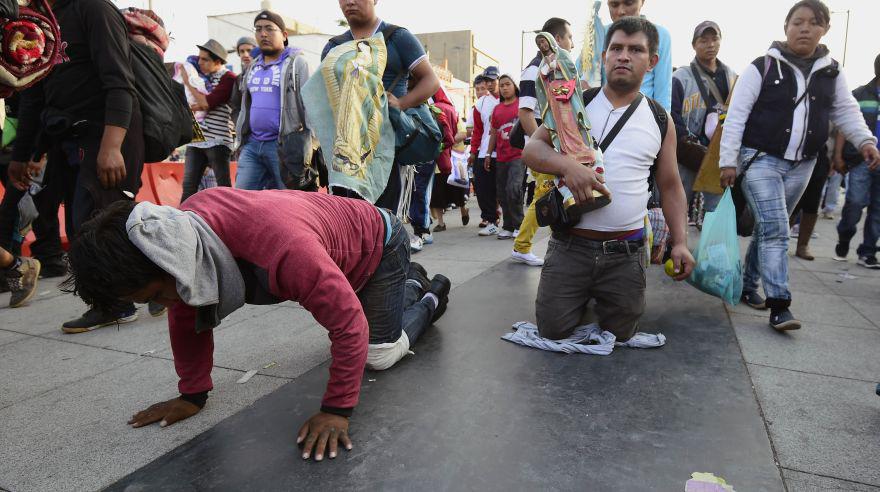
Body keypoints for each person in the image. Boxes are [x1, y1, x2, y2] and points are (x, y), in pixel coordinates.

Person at [63, 187, 452, 462]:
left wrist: (337, 410)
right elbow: (188, 318)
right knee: (354, 309)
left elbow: (349, 325)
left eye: (155, 295)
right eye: (151, 301)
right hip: (333, 250)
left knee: (378, 353)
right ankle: (407, 283)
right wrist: (192, 395)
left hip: (378, 244)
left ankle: (426, 290)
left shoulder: (281, 248)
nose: (164, 306)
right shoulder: (178, 243)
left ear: (170, 264)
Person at [523, 17, 694, 343]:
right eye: (616, 48)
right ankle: (578, 297)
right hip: (570, 247)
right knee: (553, 330)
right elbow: (531, 150)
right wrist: (567, 167)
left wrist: (681, 242)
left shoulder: (660, 119)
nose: (623, 56)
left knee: (620, 333)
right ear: (604, 57)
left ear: (652, 61)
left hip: (626, 255)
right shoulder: (576, 102)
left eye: (635, 50)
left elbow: (671, 185)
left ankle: (596, 299)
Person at [719, 0, 879, 330]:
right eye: (797, 22)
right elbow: (736, 116)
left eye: (813, 22)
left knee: (768, 227)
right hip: (760, 161)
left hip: (803, 165)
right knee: (777, 228)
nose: (804, 28)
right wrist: (727, 161)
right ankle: (780, 304)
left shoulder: (831, 71)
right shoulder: (761, 66)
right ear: (786, 27)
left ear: (825, 29)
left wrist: (865, 141)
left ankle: (749, 286)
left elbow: (846, 111)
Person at [9, 0, 145, 333]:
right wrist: (22, 154)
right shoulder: (38, 22)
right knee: (89, 222)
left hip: (108, 132)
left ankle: (115, 304)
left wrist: (112, 146)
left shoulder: (93, 8)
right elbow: (33, 97)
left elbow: (119, 81)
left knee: (94, 222)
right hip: (66, 137)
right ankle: (157, 279)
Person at [322, 0, 440, 212]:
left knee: (382, 220)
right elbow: (324, 95)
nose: (349, 2)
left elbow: (431, 81)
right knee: (349, 220)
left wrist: (401, 103)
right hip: (345, 150)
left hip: (387, 146)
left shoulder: (397, 37)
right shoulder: (334, 46)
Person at [513, 17, 574, 267]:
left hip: (553, 148)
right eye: (569, 37)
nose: (572, 43)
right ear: (556, 39)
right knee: (545, 197)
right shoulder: (534, 68)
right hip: (543, 150)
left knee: (551, 195)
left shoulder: (556, 68)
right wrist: (543, 149)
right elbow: (526, 112)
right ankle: (522, 246)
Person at [235, 11, 310, 191]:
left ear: (284, 36)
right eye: (259, 29)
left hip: (282, 147)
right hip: (252, 146)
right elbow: (244, 105)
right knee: (241, 198)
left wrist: (310, 145)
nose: (263, 34)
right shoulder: (252, 66)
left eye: (269, 29)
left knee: (287, 203)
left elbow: (309, 106)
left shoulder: (296, 64)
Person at [671, 21, 736, 214]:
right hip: (688, 152)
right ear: (694, 45)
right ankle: (675, 243)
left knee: (716, 209)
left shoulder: (731, 77)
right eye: (703, 40)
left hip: (718, 153)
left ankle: (712, 244)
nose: (710, 44)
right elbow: (673, 115)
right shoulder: (681, 77)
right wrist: (687, 145)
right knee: (678, 202)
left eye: (714, 39)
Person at [833, 53, 880, 268]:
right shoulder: (860, 94)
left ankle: (868, 252)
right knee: (854, 203)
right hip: (861, 160)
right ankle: (844, 237)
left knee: (878, 211)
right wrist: (838, 155)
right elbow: (845, 125)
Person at [585, 0, 673, 110]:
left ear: (642, 2)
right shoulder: (598, 35)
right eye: (614, 5)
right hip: (603, 113)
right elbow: (584, 79)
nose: (621, 11)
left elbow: (663, 92)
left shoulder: (660, 35)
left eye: (628, 3)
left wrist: (661, 122)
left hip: (644, 116)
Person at [178, 40, 237, 202]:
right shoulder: (203, 79)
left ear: (217, 61)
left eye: (205, 59)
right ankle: (181, 221)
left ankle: (227, 221)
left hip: (217, 141)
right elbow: (196, 105)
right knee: (189, 186)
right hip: (197, 139)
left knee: (223, 186)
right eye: (199, 58)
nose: (200, 62)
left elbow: (205, 103)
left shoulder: (228, 78)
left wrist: (188, 82)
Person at [485, 75, 524, 240]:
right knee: (502, 193)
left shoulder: (522, 105)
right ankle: (507, 226)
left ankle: (519, 225)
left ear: (514, 86)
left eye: (508, 84)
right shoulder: (497, 109)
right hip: (501, 157)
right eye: (501, 85)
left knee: (513, 189)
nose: (504, 88)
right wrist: (488, 153)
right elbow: (493, 133)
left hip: (519, 155)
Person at [429, 88, 468, 233]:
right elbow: (463, 133)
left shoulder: (432, 110)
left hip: (439, 159)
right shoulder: (453, 110)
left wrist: (443, 143)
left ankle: (441, 222)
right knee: (458, 188)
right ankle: (464, 210)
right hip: (455, 159)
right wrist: (451, 141)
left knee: (438, 193)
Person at [470, 66, 501, 235]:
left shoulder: (508, 98)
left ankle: (512, 223)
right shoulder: (480, 103)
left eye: (492, 80)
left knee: (505, 190)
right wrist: (473, 153)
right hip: (484, 152)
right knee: (483, 189)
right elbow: (477, 131)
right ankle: (491, 219)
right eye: (486, 81)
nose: (489, 84)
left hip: (504, 152)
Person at [229, 36, 257, 128]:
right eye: (242, 51)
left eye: (249, 50)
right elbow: (235, 106)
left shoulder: (267, 72)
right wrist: (241, 125)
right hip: (248, 134)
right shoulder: (239, 78)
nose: (245, 55)